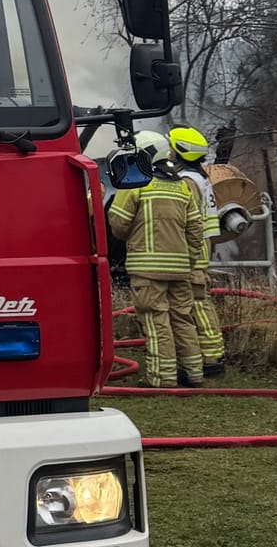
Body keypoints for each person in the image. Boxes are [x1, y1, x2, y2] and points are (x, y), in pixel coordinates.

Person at [108, 130, 208, 388]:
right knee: (183, 319)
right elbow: (196, 230)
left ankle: (163, 379)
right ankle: (194, 373)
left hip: (146, 269)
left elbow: (118, 224)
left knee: (155, 321)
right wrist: (188, 259)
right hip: (180, 269)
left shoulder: (136, 183)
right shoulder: (183, 186)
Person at [169, 124, 227, 376]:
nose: (169, 153)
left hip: (194, 249)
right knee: (199, 302)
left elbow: (187, 219)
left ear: (180, 151)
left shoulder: (188, 181)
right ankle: (211, 356)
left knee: (198, 303)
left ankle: (212, 359)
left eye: (172, 149)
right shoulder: (200, 177)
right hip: (201, 246)